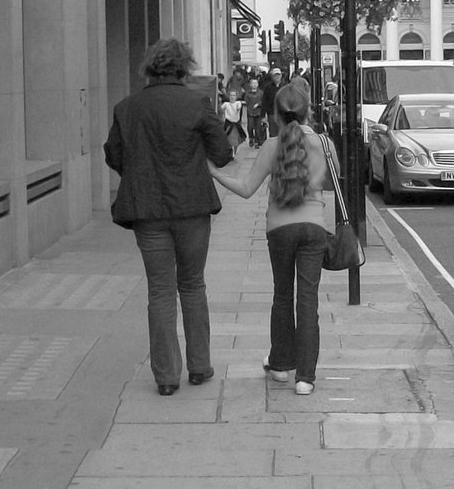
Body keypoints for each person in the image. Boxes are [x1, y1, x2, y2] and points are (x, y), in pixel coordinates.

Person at [104, 38, 233, 396]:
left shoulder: (128, 107)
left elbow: (114, 155)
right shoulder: (197, 103)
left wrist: (140, 171)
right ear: (184, 67)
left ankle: (165, 377)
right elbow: (222, 154)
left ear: (150, 68)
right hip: (192, 209)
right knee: (192, 284)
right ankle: (200, 365)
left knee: (160, 290)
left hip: (147, 210)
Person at [215, 80, 336, 397]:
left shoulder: (270, 146)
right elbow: (333, 186)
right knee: (307, 301)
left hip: (279, 230)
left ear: (276, 115)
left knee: (282, 295)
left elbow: (245, 189)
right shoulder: (324, 144)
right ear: (309, 110)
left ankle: (281, 365)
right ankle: (306, 378)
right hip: (313, 228)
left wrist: (214, 173)